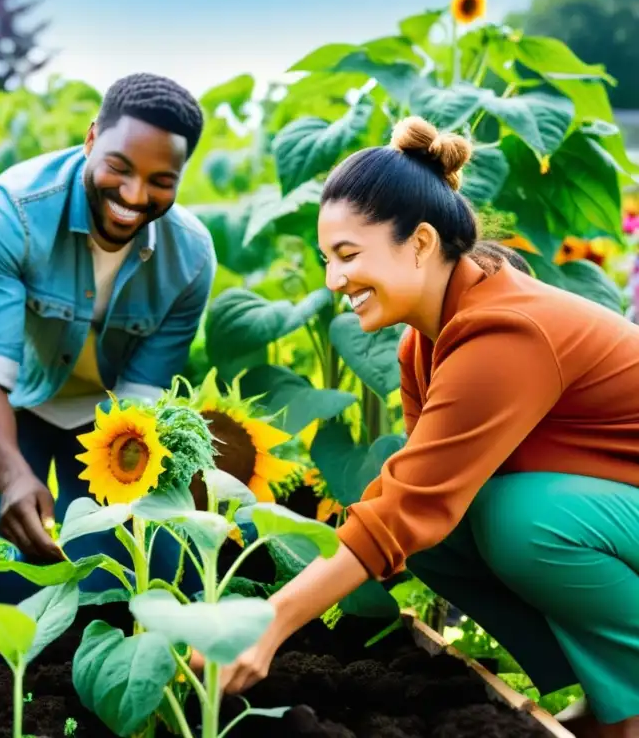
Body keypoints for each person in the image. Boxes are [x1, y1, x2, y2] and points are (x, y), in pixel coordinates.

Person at [191, 116, 639, 738]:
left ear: (422, 243)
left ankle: (631, 704)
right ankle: (609, 688)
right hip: (618, 512)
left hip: (612, 513)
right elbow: (413, 498)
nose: (333, 281)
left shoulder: (506, 334)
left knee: (521, 520)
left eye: (348, 255)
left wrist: (272, 620)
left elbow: (408, 505)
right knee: (446, 530)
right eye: (326, 260)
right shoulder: (424, 345)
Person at [0, 72, 216, 613]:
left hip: (106, 406)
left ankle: (84, 676)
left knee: (110, 548)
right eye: (119, 167)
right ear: (91, 139)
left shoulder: (191, 258)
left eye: (162, 180)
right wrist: (15, 474)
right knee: (1, 540)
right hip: (5, 392)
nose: (135, 196)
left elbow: (141, 398)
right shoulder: (13, 212)